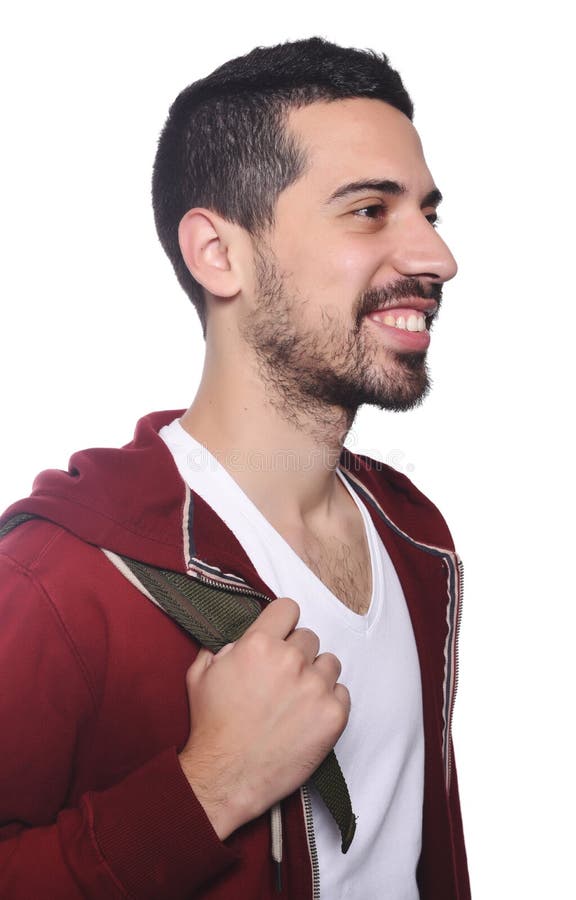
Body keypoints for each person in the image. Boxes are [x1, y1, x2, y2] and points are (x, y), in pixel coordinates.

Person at [0, 37, 470, 899]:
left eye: (428, 214)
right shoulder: (62, 578)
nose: (436, 258)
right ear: (219, 254)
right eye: (370, 210)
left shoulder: (413, 534)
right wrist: (209, 787)